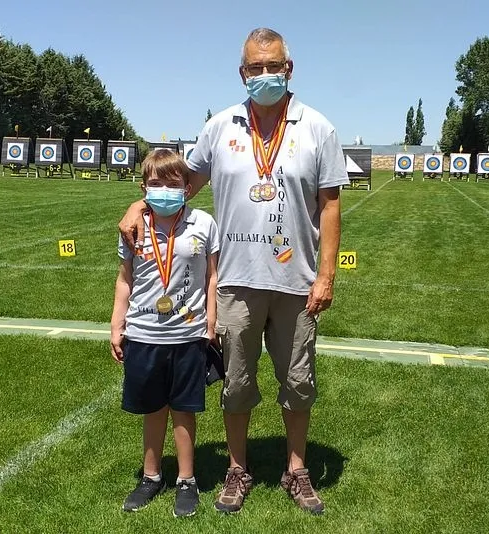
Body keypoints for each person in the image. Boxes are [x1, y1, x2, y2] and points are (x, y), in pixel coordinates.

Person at [119, 28, 348, 515]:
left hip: (297, 282)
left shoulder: (318, 128)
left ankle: (297, 469)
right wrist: (142, 203)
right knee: (237, 385)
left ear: (290, 68)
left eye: (273, 66)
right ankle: (237, 469)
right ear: (242, 73)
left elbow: (330, 206)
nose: (264, 74)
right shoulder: (220, 126)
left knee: (298, 383)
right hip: (236, 282)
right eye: (255, 67)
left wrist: (326, 275)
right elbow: (184, 184)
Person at [110, 149, 219, 518]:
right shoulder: (134, 226)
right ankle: (151, 475)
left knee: (184, 409)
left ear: (187, 188)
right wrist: (116, 324)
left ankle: (186, 480)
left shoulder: (204, 223)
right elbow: (125, 279)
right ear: (143, 188)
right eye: (155, 184)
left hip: (188, 333)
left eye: (173, 184)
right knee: (152, 408)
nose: (164, 190)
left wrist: (212, 324)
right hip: (143, 332)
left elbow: (211, 277)